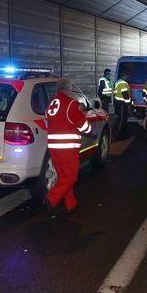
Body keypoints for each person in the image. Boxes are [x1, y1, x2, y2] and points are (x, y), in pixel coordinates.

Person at [44, 78, 91, 217]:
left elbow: (48, 118)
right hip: (67, 148)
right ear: (68, 89)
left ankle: (71, 204)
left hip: (53, 147)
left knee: (64, 177)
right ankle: (51, 199)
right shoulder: (72, 103)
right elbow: (83, 126)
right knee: (70, 178)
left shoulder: (52, 103)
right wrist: (90, 129)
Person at [113, 73, 132, 139]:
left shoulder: (118, 82)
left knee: (119, 119)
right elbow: (125, 94)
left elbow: (115, 92)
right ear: (124, 76)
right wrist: (128, 104)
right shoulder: (123, 83)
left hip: (118, 102)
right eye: (128, 76)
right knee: (122, 119)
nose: (129, 77)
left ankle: (119, 133)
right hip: (122, 104)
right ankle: (119, 134)